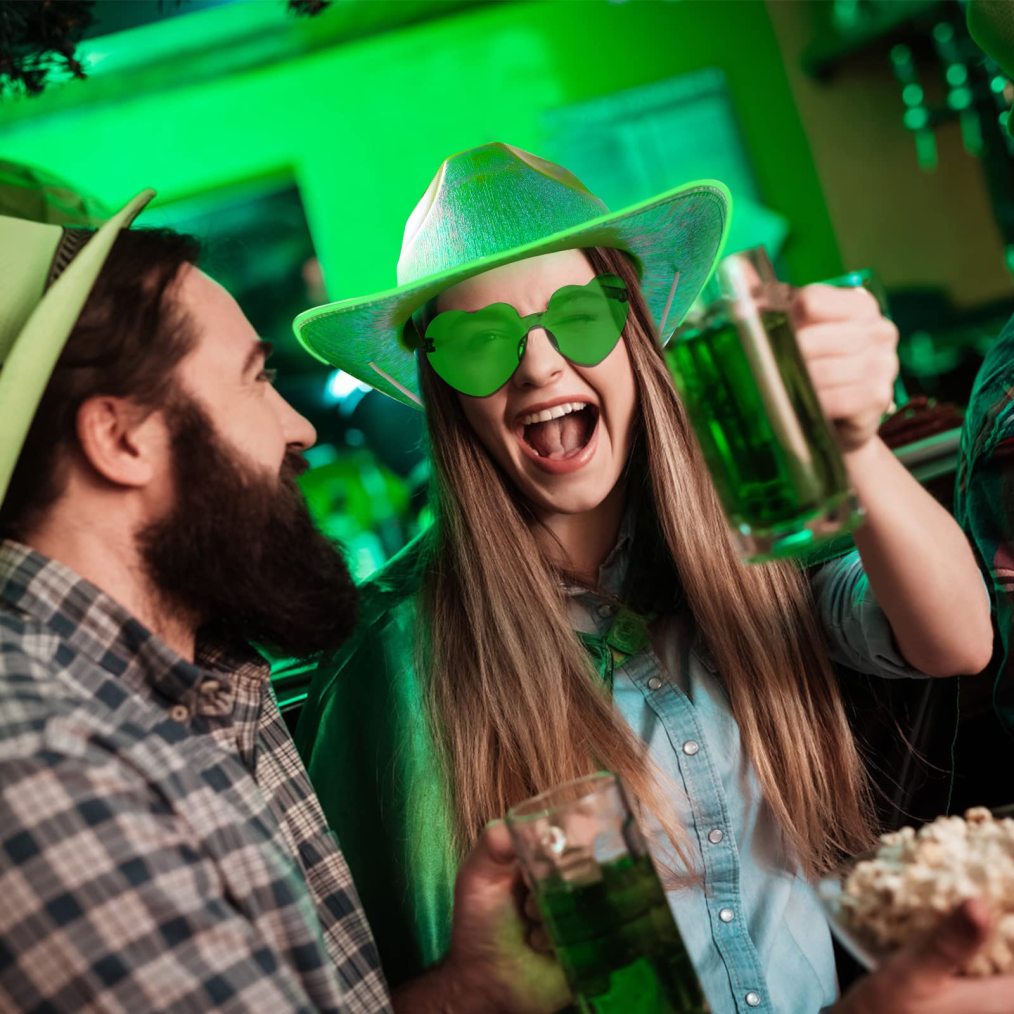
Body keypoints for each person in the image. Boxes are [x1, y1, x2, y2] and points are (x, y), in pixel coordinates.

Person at [295, 143, 1002, 1013]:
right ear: (448, 396)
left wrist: (852, 442)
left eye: (580, 318)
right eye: (481, 344)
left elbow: (958, 639)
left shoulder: (755, 540)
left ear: (633, 334)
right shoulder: (397, 659)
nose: (541, 366)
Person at [0, 190, 568, 1012]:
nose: (299, 426)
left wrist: (467, 991)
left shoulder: (200, 672)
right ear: (121, 439)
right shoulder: (46, 771)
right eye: (257, 379)